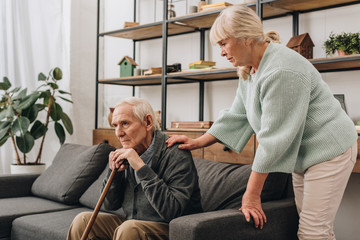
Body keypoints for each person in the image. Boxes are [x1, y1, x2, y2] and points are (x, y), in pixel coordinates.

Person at [166, 5, 358, 240]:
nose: (222, 53)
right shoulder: (250, 69)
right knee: (312, 227)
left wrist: (251, 194)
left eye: (224, 43)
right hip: (303, 154)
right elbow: (238, 112)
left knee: (313, 231)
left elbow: (274, 139)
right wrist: (199, 142)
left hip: (330, 149)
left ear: (246, 38)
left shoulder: (281, 70)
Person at [67, 97, 202, 240]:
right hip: (132, 225)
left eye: (125, 124)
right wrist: (115, 174)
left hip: (173, 230)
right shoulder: (127, 151)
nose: (118, 133)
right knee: (82, 221)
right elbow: (109, 204)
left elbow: (172, 211)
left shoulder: (176, 153)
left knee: (129, 228)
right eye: (115, 126)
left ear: (148, 122)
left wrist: (140, 166)